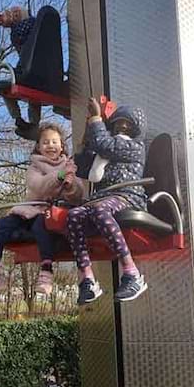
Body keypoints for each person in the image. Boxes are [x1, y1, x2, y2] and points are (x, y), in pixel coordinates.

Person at [0, 123, 84, 296]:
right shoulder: (34, 168)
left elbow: (77, 195)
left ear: (62, 146)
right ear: (38, 147)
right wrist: (58, 176)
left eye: (54, 142)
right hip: (31, 209)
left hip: (51, 214)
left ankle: (46, 271)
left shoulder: (70, 167)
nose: (50, 146)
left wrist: (70, 184)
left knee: (41, 224)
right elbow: (39, 187)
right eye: (45, 142)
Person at [67, 97, 148, 305]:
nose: (121, 126)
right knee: (74, 215)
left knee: (99, 210)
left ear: (136, 129)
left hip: (127, 195)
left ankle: (131, 273)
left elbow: (104, 144)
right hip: (103, 197)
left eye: (127, 124)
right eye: (118, 122)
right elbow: (84, 167)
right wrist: (88, 131)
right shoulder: (106, 151)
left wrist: (96, 118)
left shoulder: (135, 147)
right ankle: (87, 279)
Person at [0, 6, 40, 140]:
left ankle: (18, 118)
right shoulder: (39, 30)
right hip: (44, 78)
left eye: (15, 14)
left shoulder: (21, 30)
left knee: (3, 87)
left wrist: (6, 20)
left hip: (30, 75)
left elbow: (18, 34)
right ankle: (34, 124)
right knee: (35, 94)